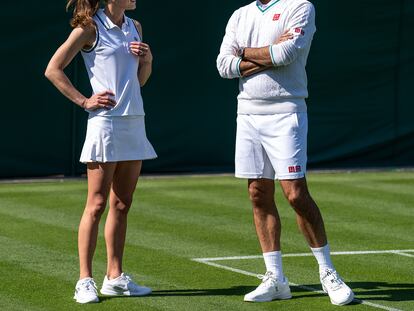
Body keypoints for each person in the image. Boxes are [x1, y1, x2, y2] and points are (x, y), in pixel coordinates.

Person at [216, 0, 354, 306]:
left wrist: (244, 52)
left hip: (287, 111)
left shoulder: (300, 7)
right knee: (257, 193)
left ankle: (328, 272)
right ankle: (275, 278)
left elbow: (286, 53)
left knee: (295, 194)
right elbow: (223, 66)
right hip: (248, 114)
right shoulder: (240, 14)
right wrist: (265, 54)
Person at [45, 0, 156, 304]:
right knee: (96, 204)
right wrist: (85, 101)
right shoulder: (88, 28)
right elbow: (52, 70)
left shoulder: (136, 27)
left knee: (122, 204)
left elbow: (139, 81)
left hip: (134, 122)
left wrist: (147, 60)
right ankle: (84, 280)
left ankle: (115, 278)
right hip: (105, 125)